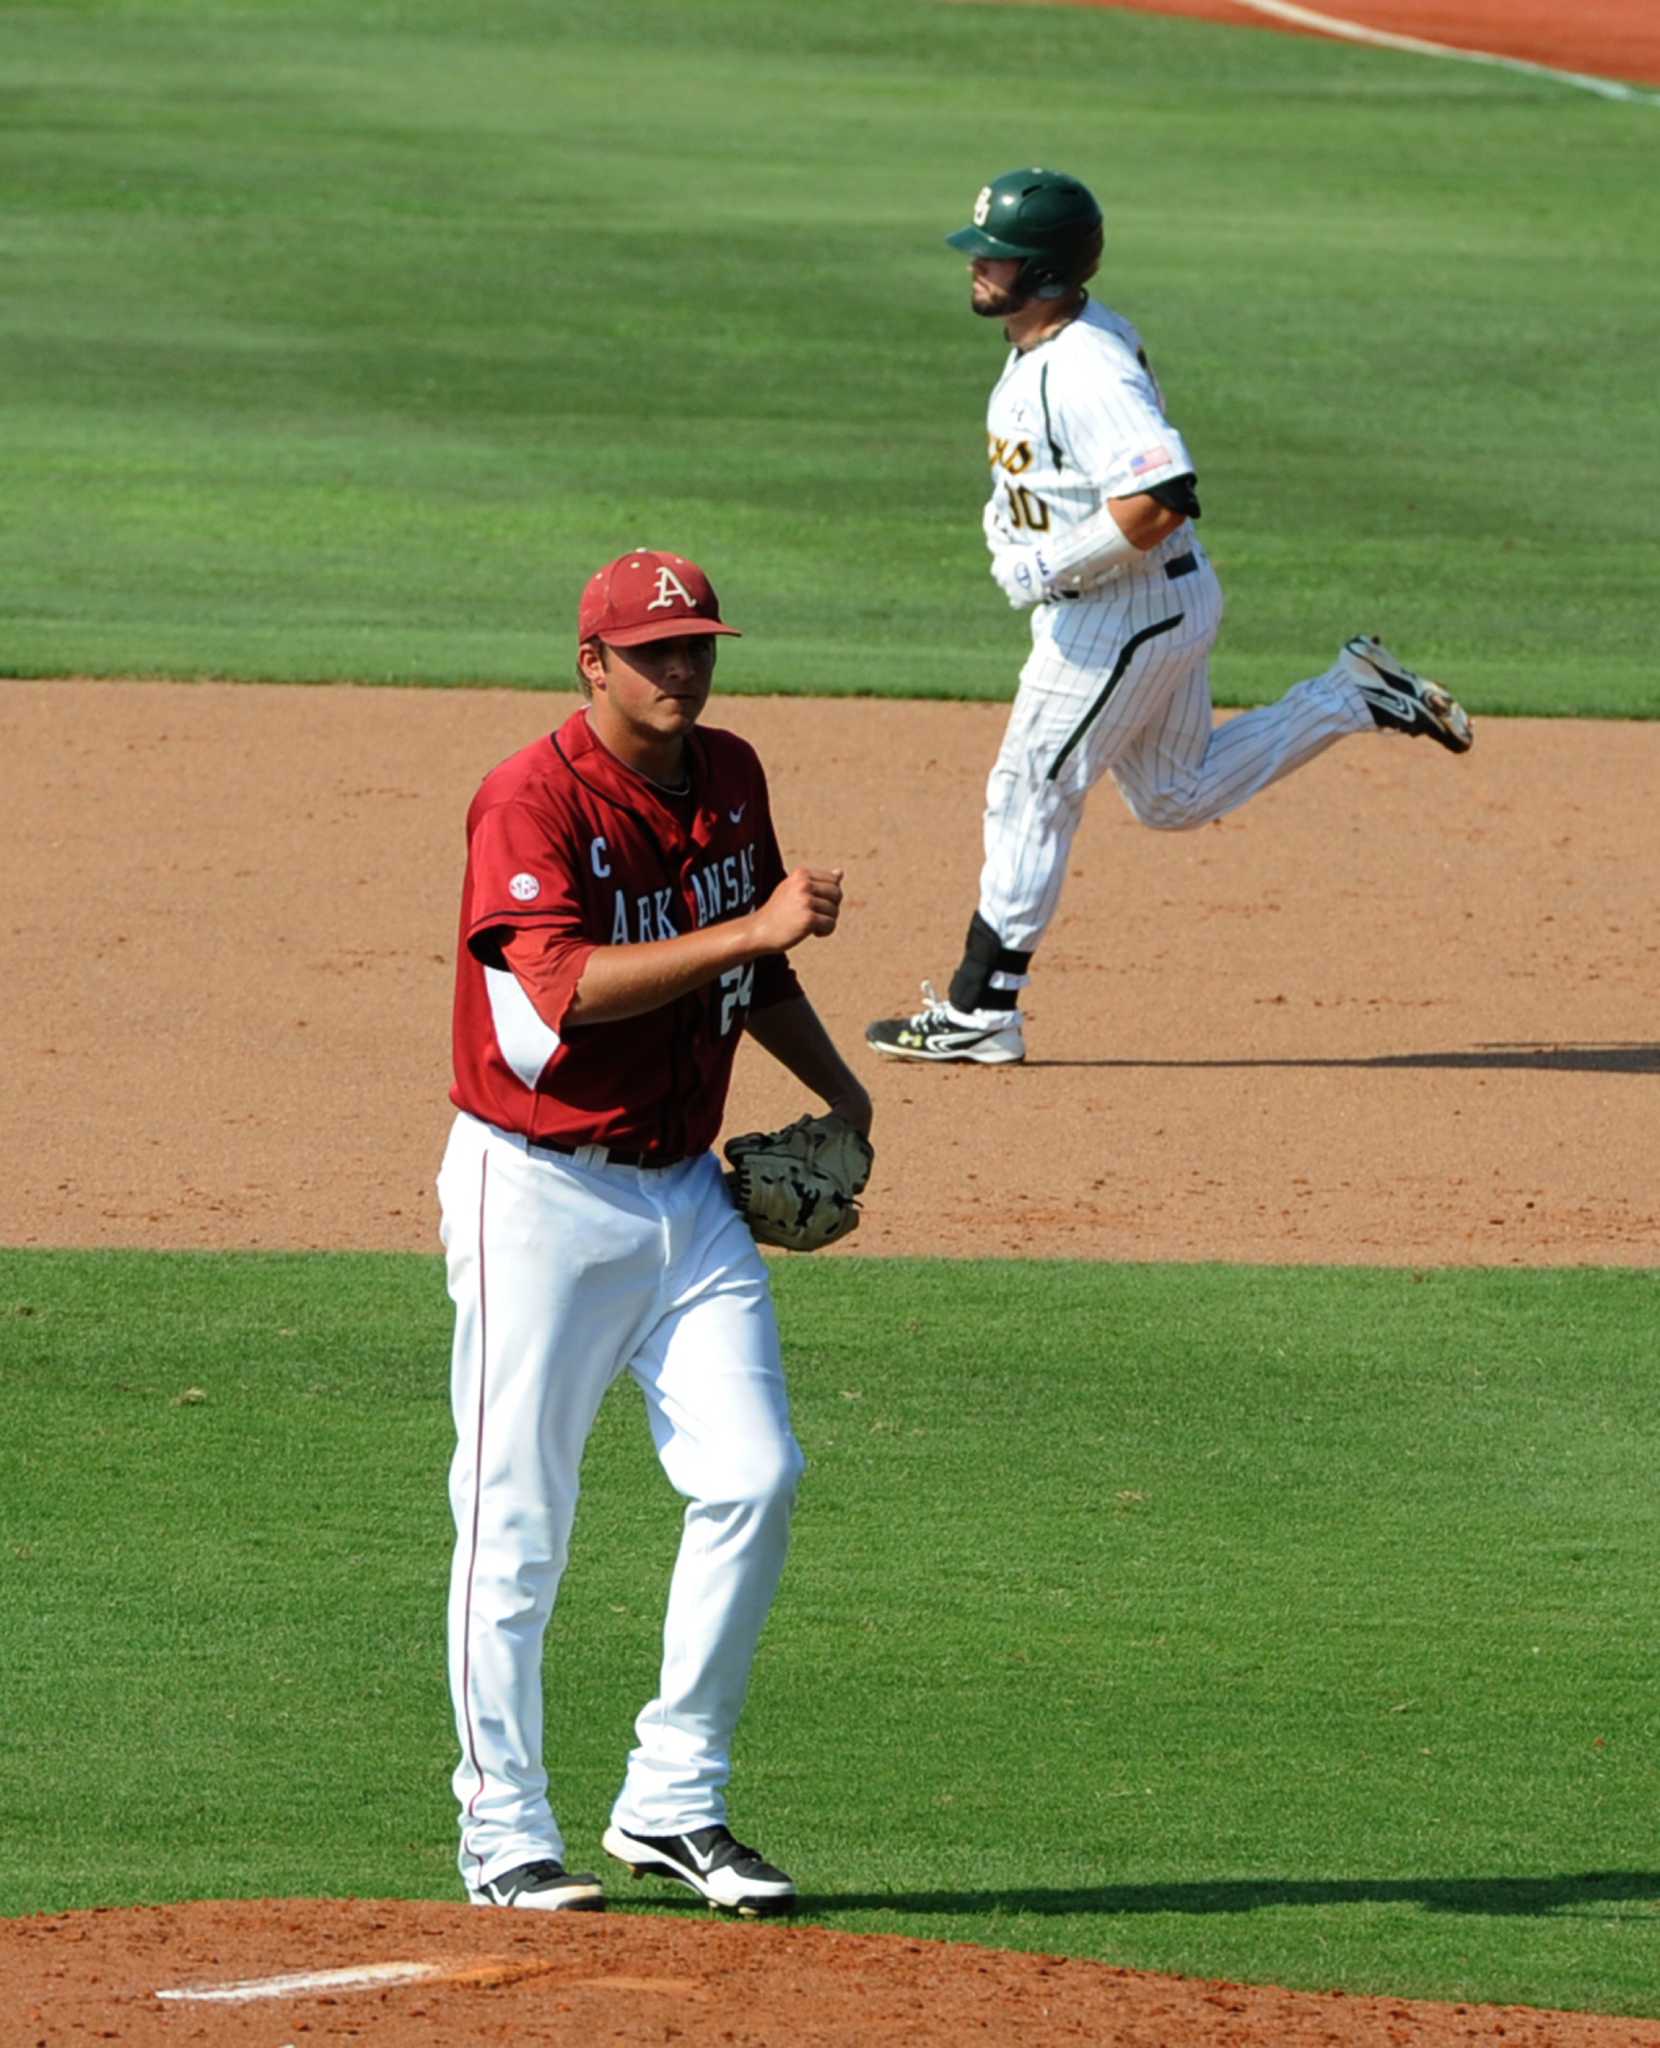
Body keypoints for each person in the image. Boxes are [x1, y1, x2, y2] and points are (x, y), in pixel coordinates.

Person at [437, 547, 871, 1916]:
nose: (683, 671)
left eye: (699, 649)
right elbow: (561, 993)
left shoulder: (732, 773)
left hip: (687, 1197)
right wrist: (749, 922)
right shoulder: (530, 799)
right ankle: (502, 1831)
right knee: (515, 1525)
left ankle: (673, 1803)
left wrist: (847, 1098)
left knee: (756, 1476)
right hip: (540, 1195)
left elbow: (760, 964)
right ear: (594, 663)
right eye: (655, 653)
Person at [866, 167, 1472, 1066]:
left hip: (1123, 613)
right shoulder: (1049, 341)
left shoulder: (1087, 366)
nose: (977, 266)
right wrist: (1019, 527)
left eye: (996, 256)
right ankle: (1351, 696)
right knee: (1174, 795)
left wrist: (1049, 562)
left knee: (1030, 788)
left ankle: (980, 1012)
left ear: (1043, 270)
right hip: (1155, 602)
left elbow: (1162, 497)